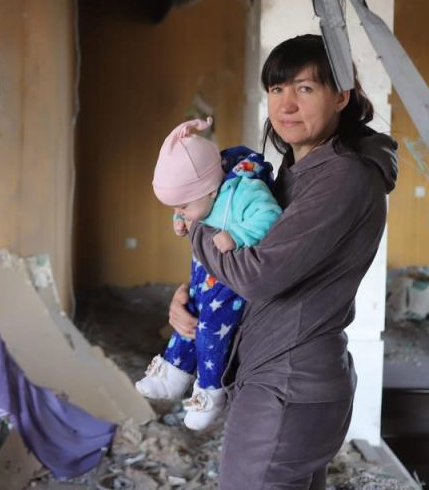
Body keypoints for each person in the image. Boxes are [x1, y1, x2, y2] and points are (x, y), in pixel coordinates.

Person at [169, 34, 398, 489]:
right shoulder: (295, 172)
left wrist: (194, 225)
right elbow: (245, 258)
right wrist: (191, 298)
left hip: (289, 386)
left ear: (341, 96)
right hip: (281, 380)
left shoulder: (342, 177)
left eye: (305, 89)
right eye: (277, 90)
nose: (286, 105)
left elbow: (256, 273)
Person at [136, 118, 282, 430]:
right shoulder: (203, 197)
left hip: (231, 286)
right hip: (204, 275)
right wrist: (181, 218)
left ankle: (209, 391)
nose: (179, 212)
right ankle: (173, 372)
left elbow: (271, 216)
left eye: (182, 206)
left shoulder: (244, 192)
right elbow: (191, 210)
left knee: (211, 332)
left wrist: (238, 235)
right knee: (188, 314)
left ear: (210, 189)